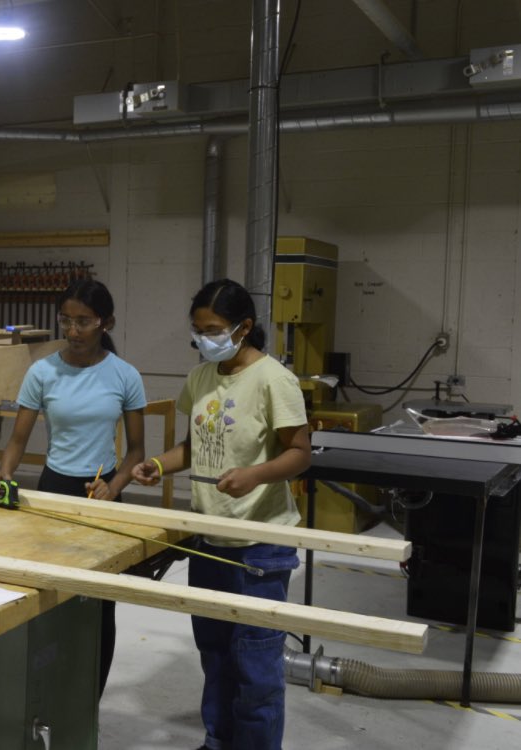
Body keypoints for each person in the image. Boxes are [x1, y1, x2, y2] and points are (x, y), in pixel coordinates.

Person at [130, 278, 310, 750]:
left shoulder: (274, 380)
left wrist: (256, 474)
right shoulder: (199, 378)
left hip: (260, 546)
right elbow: (193, 447)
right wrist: (155, 465)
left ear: (243, 328)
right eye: (197, 330)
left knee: (255, 666)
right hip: (209, 539)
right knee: (215, 655)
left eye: (212, 330)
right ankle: (217, 742)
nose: (203, 339)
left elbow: (300, 452)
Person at [0, 278, 146, 697]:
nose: (74, 331)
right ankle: (49, 694)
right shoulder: (42, 371)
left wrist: (115, 486)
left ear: (105, 323)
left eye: (84, 322)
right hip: (53, 488)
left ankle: (88, 701)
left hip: (102, 494)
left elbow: (136, 452)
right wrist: (4, 473)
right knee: (48, 594)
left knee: (100, 602)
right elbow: (18, 441)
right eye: (66, 321)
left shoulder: (125, 376)